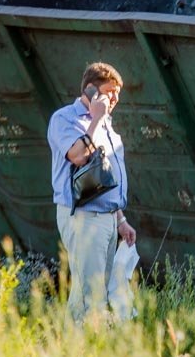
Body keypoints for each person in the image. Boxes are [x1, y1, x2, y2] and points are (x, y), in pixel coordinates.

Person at [48, 61, 136, 319]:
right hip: (83, 217)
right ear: (90, 91)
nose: (115, 99)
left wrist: (121, 220)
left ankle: (79, 341)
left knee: (96, 293)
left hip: (107, 218)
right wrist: (96, 118)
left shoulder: (105, 123)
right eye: (110, 92)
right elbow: (78, 156)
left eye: (118, 93)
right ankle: (84, 342)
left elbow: (106, 177)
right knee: (91, 296)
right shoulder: (65, 119)